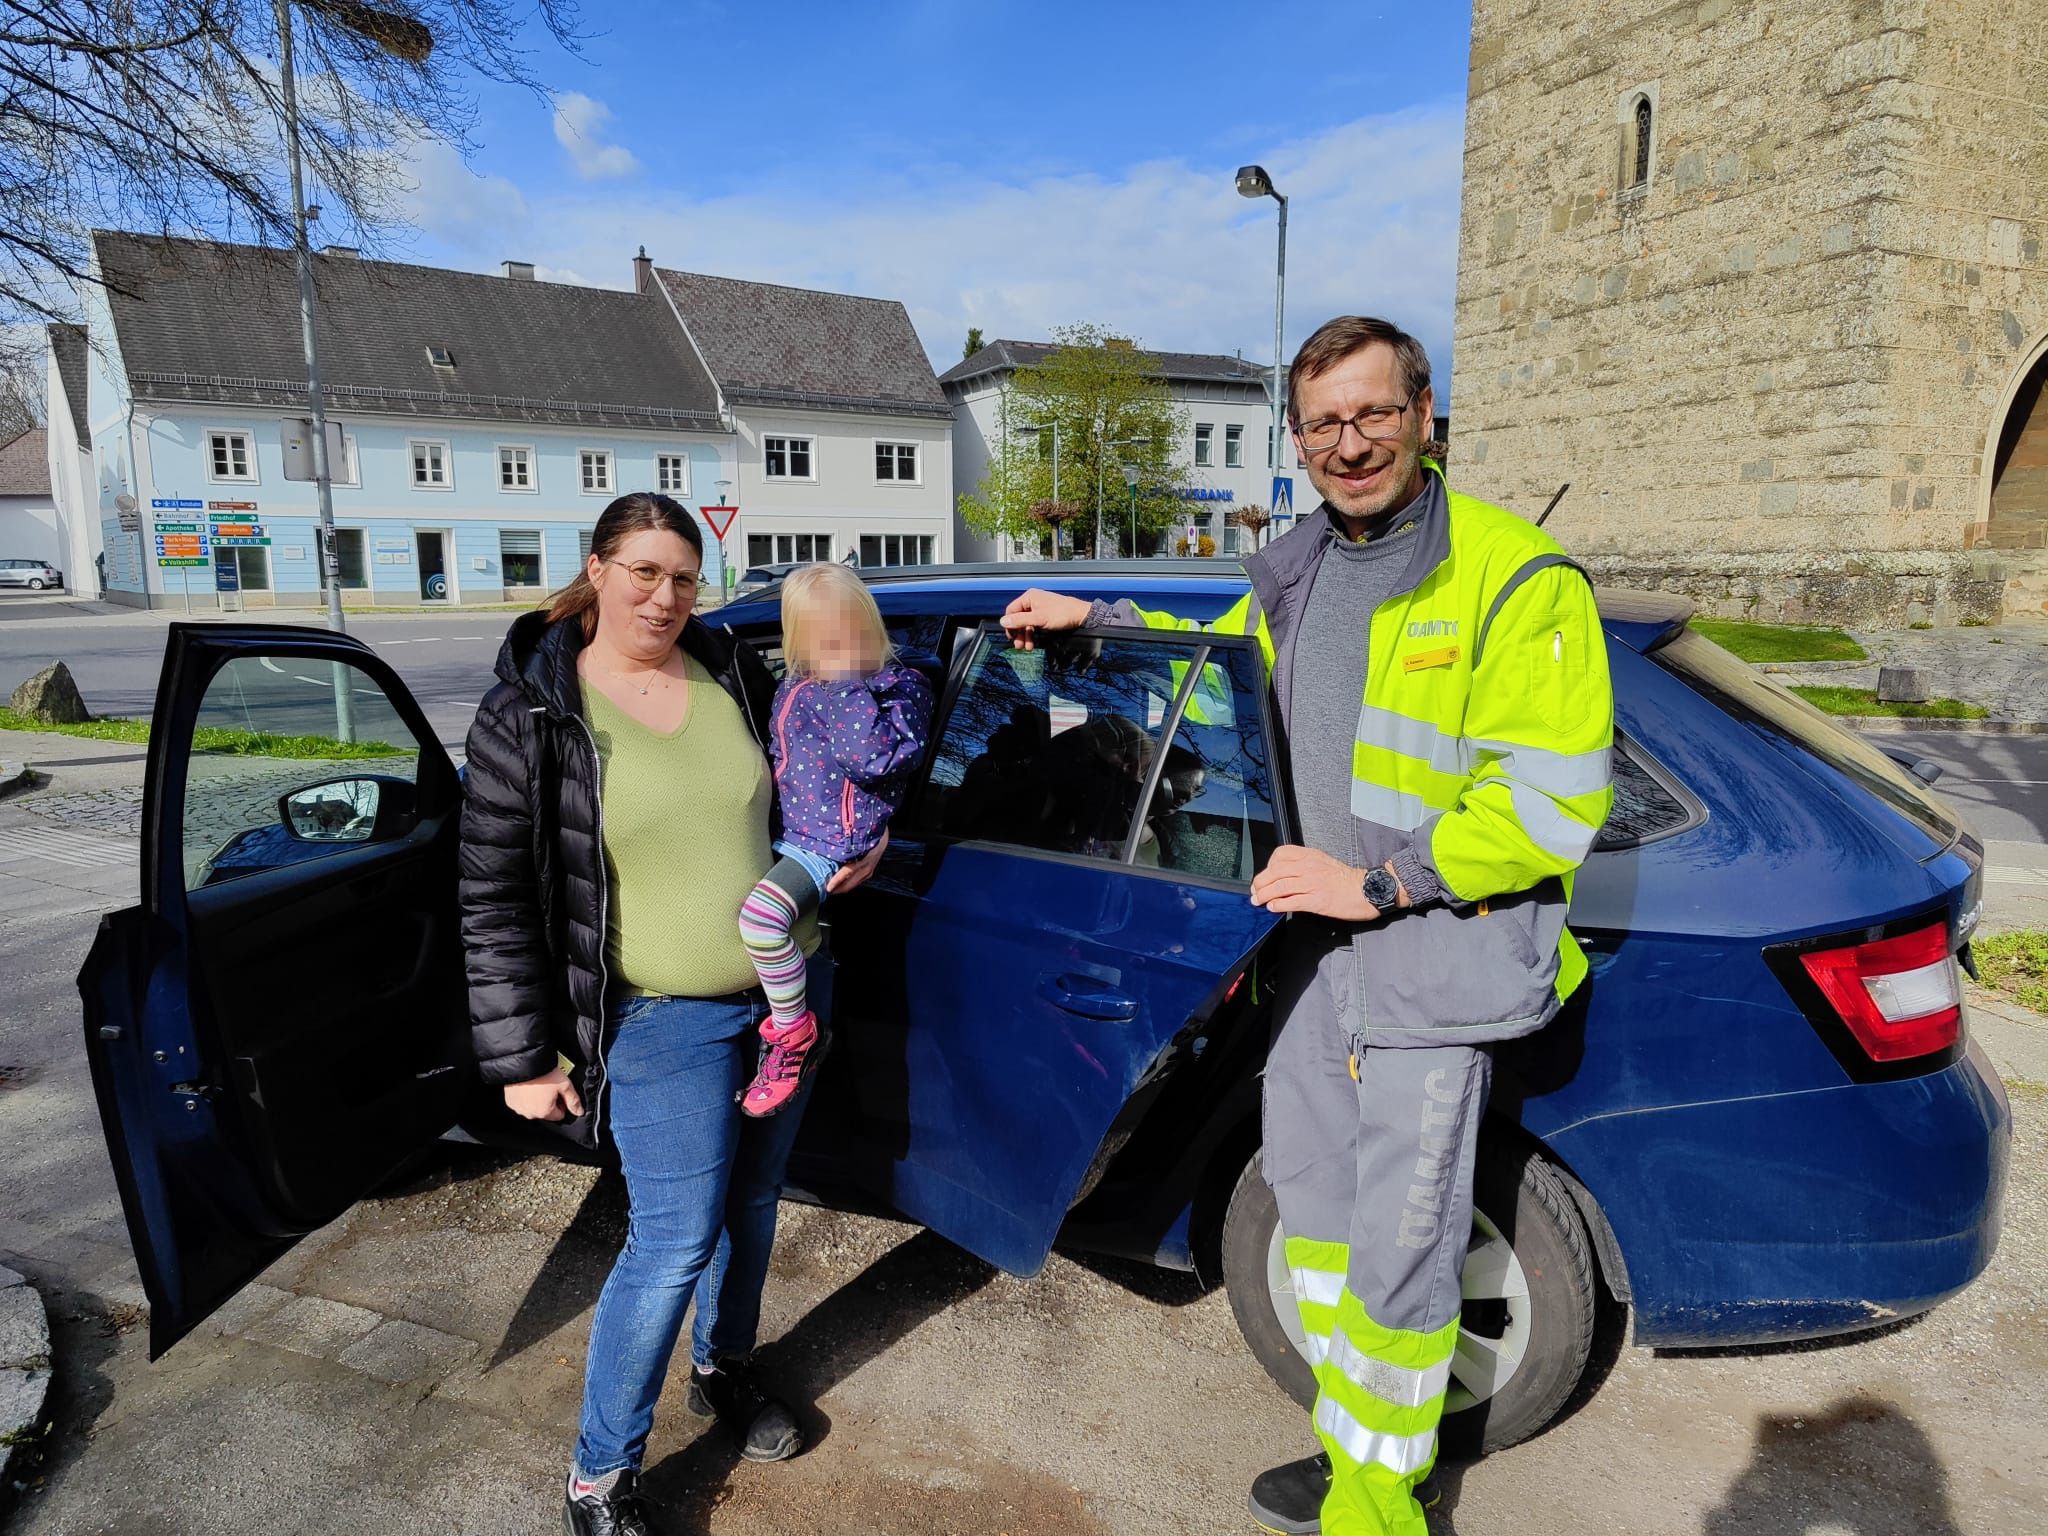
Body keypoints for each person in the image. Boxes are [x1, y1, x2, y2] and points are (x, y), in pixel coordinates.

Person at [1001, 315, 1615, 1536]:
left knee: (1399, 1243)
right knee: (1317, 1213)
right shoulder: (1300, 566)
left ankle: (1379, 1509)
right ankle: (1355, 1453)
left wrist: (1376, 885)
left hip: (1432, 959)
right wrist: (1101, 622)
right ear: (1298, 438)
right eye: (1325, 423)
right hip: (1311, 960)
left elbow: (1549, 804)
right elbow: (1233, 679)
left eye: (1373, 413)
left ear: (1423, 415)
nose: (1351, 443)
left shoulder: (1509, 576)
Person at [458, 492, 885, 1536]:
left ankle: (722, 1369)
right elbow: (492, 894)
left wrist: (841, 858)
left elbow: (810, 779)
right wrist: (521, 1054)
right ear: (597, 569)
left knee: (753, 1203)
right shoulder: (534, 711)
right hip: (660, 1018)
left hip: (785, 995)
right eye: (643, 570)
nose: (664, 594)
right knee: (672, 1241)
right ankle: (601, 1477)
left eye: (683, 576)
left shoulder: (727, 669)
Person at [736, 562, 931, 1115]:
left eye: (853, 633)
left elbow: (871, 759)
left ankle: (793, 1035)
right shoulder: (796, 686)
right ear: (801, 643)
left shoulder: (898, 689)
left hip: (828, 843)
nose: (843, 648)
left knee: (760, 922)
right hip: (790, 832)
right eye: (826, 641)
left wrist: (846, 683)